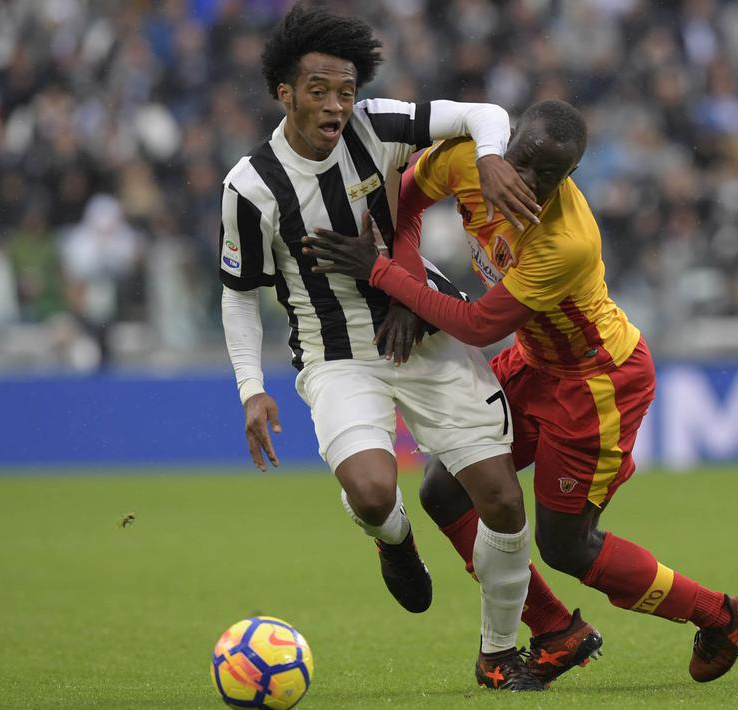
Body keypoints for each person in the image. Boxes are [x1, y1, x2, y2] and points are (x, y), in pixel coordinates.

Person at [302, 99, 738, 683]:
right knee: (445, 491)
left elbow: (476, 326)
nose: (527, 182)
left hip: (596, 382)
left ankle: (722, 615)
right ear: (508, 139)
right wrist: (405, 285)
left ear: (570, 177)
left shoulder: (565, 240)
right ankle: (556, 631)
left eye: (548, 175)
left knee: (566, 545)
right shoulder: (470, 160)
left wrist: (381, 273)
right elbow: (404, 201)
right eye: (521, 161)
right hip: (534, 361)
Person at [219, 4, 548, 691]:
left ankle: (496, 655)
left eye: (345, 89)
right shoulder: (251, 188)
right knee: (371, 491)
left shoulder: (378, 123)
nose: (337, 104)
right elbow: (239, 292)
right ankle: (393, 541)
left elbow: (485, 112)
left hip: (423, 333)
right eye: (319, 91)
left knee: (504, 504)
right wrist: (251, 387)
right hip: (334, 352)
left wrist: (489, 160)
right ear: (284, 93)